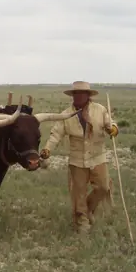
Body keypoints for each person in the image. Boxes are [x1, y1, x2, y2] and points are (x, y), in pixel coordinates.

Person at [40, 81, 118, 233]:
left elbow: (110, 123)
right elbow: (56, 134)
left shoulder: (99, 110)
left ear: (88, 95)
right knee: (78, 192)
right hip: (77, 160)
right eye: (75, 93)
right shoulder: (66, 114)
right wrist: (47, 149)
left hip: (98, 157)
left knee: (103, 187)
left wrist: (113, 129)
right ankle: (82, 221)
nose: (78, 96)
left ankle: (87, 209)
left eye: (82, 93)